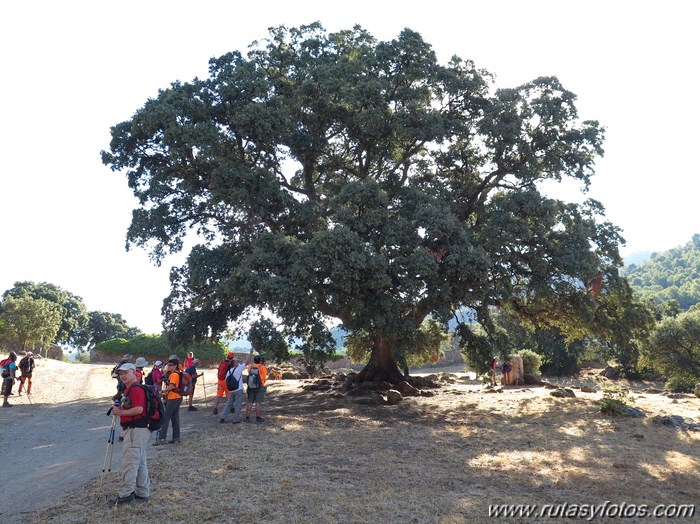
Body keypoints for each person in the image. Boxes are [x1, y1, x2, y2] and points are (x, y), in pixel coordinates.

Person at [109, 362, 151, 505]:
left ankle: (126, 495)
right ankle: (142, 492)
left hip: (135, 430)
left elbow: (139, 409)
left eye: (125, 373)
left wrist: (120, 412)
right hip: (138, 430)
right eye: (120, 374)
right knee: (139, 462)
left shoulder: (135, 390)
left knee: (130, 463)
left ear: (134, 372)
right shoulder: (130, 389)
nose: (122, 376)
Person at [154, 359, 183, 445]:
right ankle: (176, 437)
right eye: (168, 365)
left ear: (175, 366)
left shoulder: (174, 375)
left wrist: (163, 392)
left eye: (171, 365)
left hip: (173, 398)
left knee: (165, 417)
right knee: (175, 417)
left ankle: (162, 438)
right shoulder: (177, 374)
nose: (169, 366)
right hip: (177, 397)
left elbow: (171, 386)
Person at [220, 351, 253, 424]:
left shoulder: (228, 372)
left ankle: (222, 417)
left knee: (228, 404)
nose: (237, 363)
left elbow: (226, 381)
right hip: (238, 389)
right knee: (238, 404)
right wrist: (250, 354)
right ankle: (236, 419)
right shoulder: (238, 369)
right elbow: (247, 362)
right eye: (236, 362)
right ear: (234, 364)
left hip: (231, 390)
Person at [244, 355, 268, 423]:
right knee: (258, 402)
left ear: (254, 360)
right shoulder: (263, 367)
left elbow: (249, 373)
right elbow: (264, 376)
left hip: (251, 386)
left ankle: (247, 417)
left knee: (250, 402)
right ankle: (258, 418)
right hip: (259, 386)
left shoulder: (250, 366)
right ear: (260, 361)